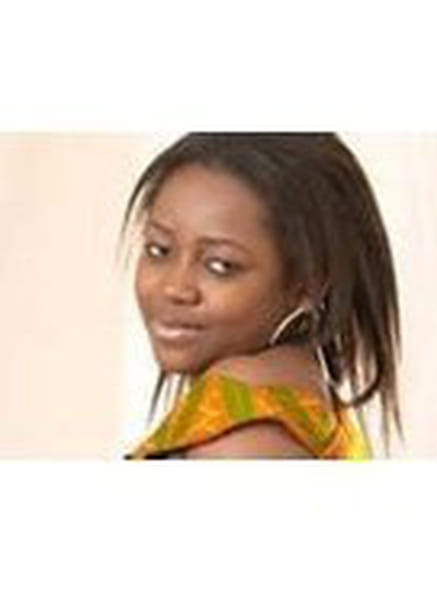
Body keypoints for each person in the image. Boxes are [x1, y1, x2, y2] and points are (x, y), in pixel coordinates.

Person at [120, 133, 401, 460]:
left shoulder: (245, 435)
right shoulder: (293, 396)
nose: (175, 288)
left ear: (307, 283)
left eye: (221, 265)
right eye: (159, 249)